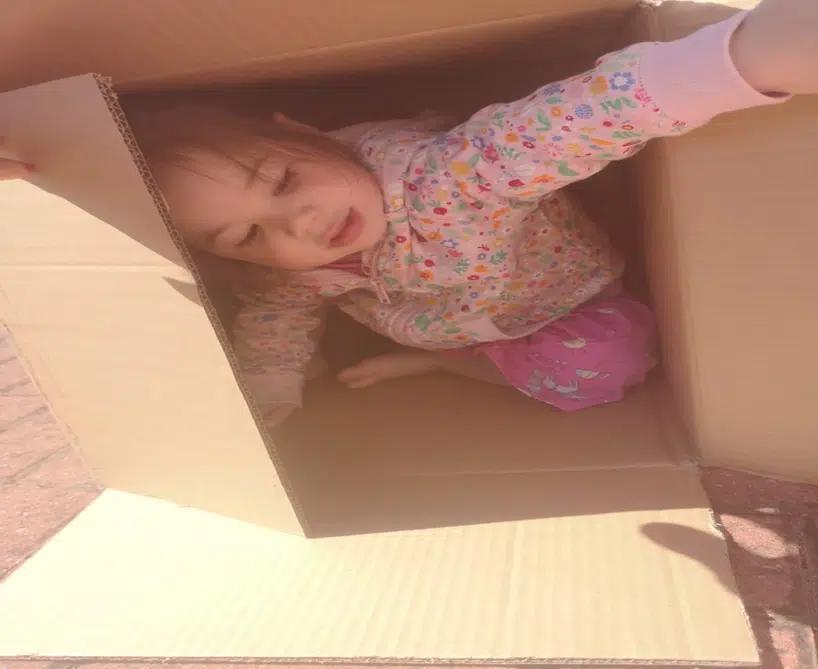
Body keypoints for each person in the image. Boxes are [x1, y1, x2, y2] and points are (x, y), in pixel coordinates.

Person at [4, 0, 817, 426]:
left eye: (283, 178)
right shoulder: (298, 271)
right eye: (248, 235)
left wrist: (735, 63)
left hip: (568, 301)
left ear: (300, 131)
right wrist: (272, 383)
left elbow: (567, 119)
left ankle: (456, 366)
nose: (298, 223)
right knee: (279, 303)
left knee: (610, 360)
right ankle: (454, 358)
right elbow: (274, 318)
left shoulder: (447, 180)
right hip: (460, 316)